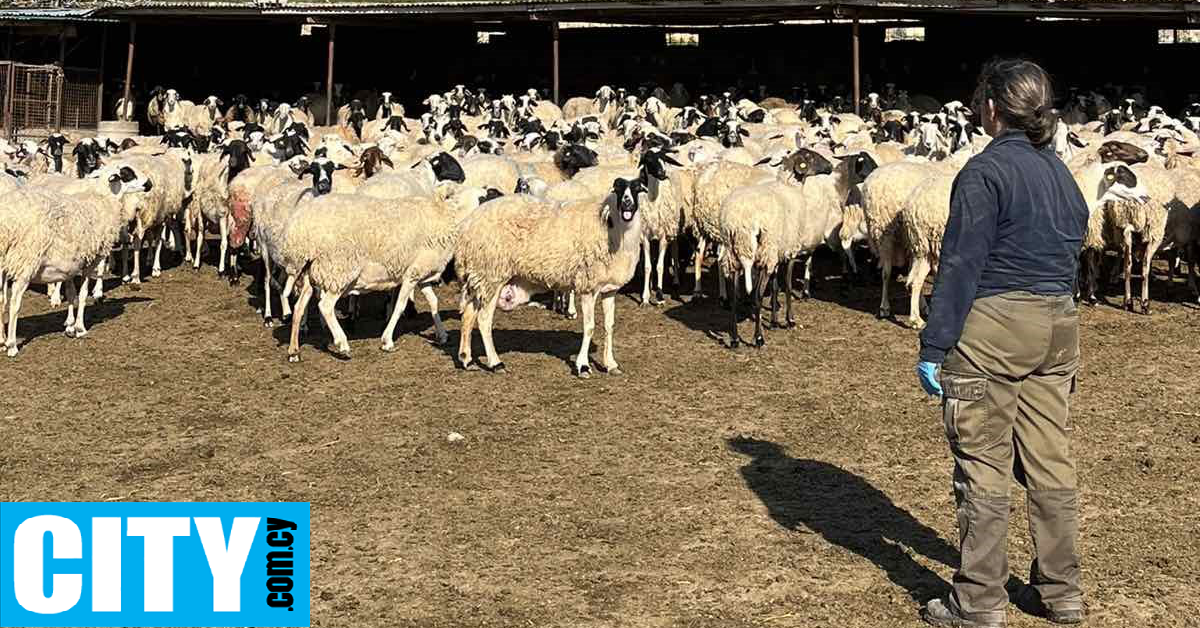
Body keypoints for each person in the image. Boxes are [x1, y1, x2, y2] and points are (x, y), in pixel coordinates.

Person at [915, 59, 1088, 628]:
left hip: (994, 326)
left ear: (991, 107)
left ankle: (979, 601)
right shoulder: (1059, 172)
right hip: (1058, 323)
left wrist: (936, 344)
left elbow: (962, 262)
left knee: (982, 461)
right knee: (1049, 456)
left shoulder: (985, 172)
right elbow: (1076, 241)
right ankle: (1062, 592)